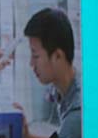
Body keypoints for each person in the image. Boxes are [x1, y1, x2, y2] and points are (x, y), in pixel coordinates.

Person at [19, 8, 80, 138]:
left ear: (58, 56)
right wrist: (27, 135)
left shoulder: (77, 115)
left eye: (35, 55)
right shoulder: (67, 89)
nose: (31, 63)